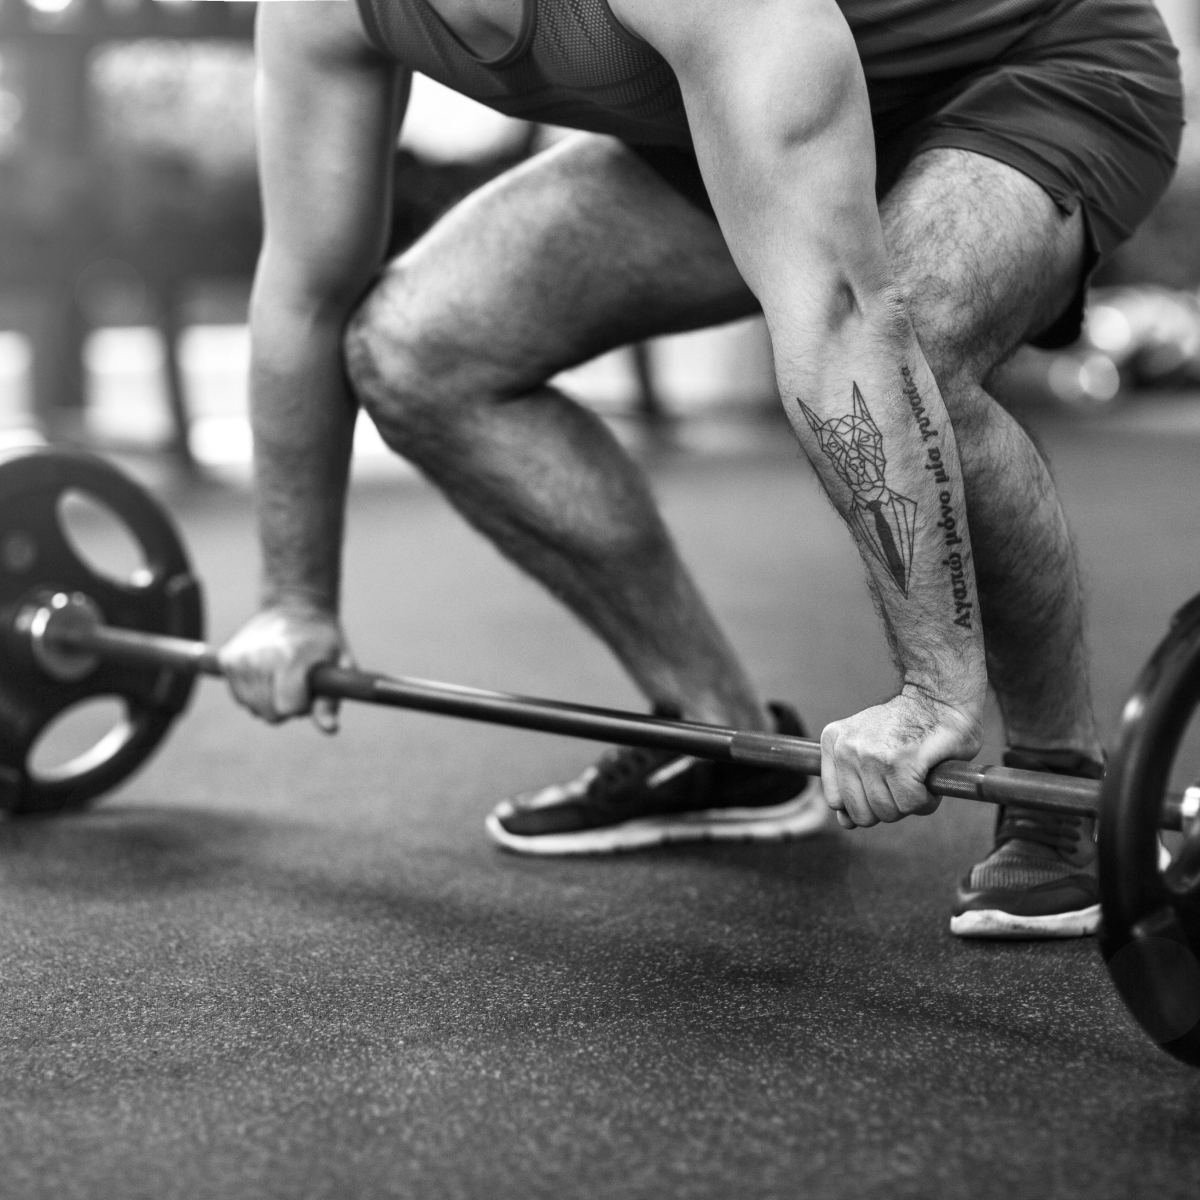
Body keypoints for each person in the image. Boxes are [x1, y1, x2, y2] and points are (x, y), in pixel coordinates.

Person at [218, 0, 1183, 938]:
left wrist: (935, 690)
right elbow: (304, 293)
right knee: (414, 348)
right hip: (735, 107)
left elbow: (844, 318)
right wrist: (293, 600)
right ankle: (722, 742)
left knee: (911, 351)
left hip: (1030, 71)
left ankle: (1062, 785)